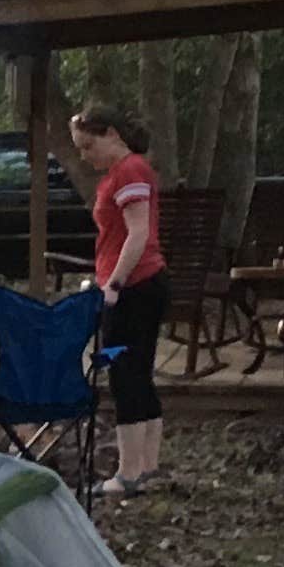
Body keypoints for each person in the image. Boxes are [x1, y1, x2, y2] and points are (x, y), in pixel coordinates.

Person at [69, 105, 167, 492]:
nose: (84, 154)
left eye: (89, 145)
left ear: (112, 134)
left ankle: (128, 473)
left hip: (134, 286)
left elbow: (138, 233)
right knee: (139, 373)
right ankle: (146, 469)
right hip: (139, 284)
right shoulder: (123, 173)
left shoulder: (130, 171)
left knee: (126, 375)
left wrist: (115, 284)